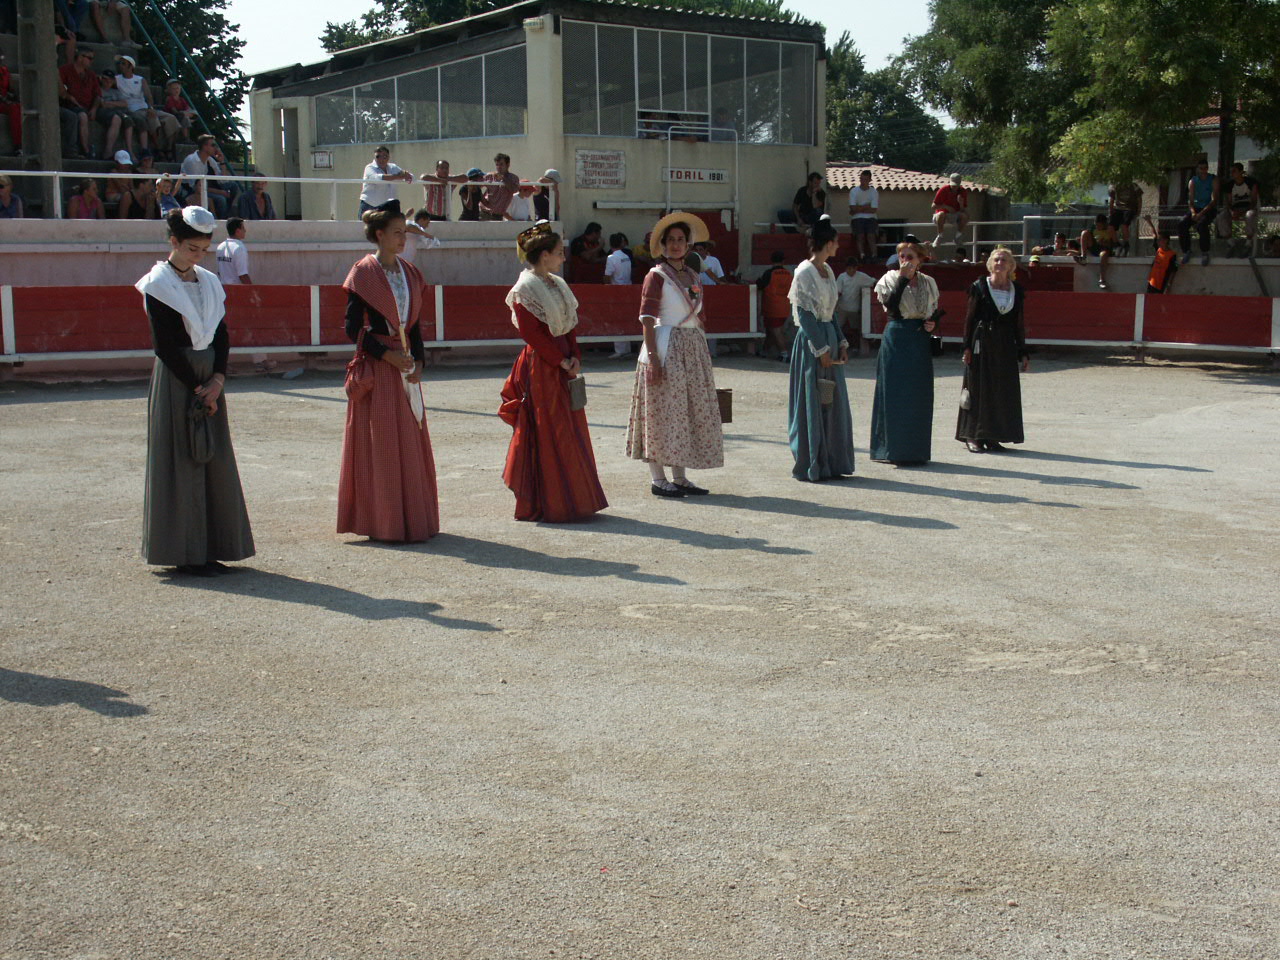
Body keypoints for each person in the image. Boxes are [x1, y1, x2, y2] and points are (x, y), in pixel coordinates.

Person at [134, 206, 254, 574]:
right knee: (182, 459)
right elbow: (165, 347)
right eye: (191, 248)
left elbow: (221, 334)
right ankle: (184, 552)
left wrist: (218, 379)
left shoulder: (209, 281)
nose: (198, 255)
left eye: (203, 249)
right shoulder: (157, 284)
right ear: (174, 242)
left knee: (214, 459)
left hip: (208, 377)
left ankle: (213, 547)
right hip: (179, 377)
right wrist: (200, 386)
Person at [338, 200, 439, 543]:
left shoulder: (410, 273)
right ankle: (383, 521)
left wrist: (420, 361)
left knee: (409, 439)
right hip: (382, 367)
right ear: (379, 234)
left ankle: (411, 518)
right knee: (380, 443)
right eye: (396, 232)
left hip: (405, 364)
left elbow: (415, 325)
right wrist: (386, 356)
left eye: (404, 233)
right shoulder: (363, 273)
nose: (402, 239)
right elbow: (352, 328)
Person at [498, 222, 610, 523]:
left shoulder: (557, 284)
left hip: (562, 361)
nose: (563, 257)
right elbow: (531, 334)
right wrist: (561, 360)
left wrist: (575, 356)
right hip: (542, 366)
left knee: (570, 425)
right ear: (545, 254)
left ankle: (574, 497)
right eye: (559, 252)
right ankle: (553, 501)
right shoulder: (524, 288)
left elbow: (570, 325)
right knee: (550, 427)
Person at [626, 212, 724, 497]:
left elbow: (699, 314)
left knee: (684, 412)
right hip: (665, 346)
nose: (676, 245)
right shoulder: (656, 276)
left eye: (681, 240)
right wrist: (654, 358)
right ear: (662, 244)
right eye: (670, 240)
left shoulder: (693, 275)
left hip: (691, 349)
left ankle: (680, 477)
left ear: (688, 244)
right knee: (660, 411)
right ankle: (658, 479)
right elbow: (647, 319)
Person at [788, 218, 854, 481]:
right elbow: (805, 314)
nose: (838, 246)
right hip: (812, 341)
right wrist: (821, 348)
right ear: (828, 243)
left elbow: (831, 312)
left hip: (828, 337)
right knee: (814, 398)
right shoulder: (804, 272)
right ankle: (813, 461)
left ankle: (833, 461)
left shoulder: (828, 270)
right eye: (836, 242)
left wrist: (841, 342)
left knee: (832, 399)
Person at [870, 241, 940, 465]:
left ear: (920, 259)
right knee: (894, 392)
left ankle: (915, 451)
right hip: (897, 336)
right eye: (902, 256)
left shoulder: (928, 282)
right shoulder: (889, 279)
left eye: (910, 257)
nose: (905, 261)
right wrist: (902, 278)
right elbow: (891, 307)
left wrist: (932, 323)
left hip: (919, 339)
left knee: (918, 394)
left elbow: (933, 311)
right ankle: (890, 450)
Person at [956, 247, 1028, 454]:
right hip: (982, 341)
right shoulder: (980, 286)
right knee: (977, 386)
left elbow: (1019, 323)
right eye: (996, 260)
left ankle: (993, 435)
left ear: (1011, 265)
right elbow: (970, 318)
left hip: (1005, 344)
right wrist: (967, 346)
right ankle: (972, 435)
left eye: (1004, 260)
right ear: (990, 264)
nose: (999, 263)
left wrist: (1022, 351)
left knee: (1000, 388)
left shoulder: (1016, 290)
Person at [114, 55, 178, 158]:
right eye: (120, 63)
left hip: (144, 107)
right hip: (132, 109)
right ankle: (158, 149)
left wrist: (150, 108)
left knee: (171, 118)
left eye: (123, 64)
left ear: (131, 67)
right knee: (153, 119)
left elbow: (148, 96)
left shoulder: (140, 79)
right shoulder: (116, 79)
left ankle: (169, 148)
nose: (120, 66)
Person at [180, 135, 233, 218]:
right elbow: (196, 187)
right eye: (213, 145)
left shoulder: (209, 159)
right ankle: (222, 219)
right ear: (204, 147)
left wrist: (222, 162)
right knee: (221, 199)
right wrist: (220, 192)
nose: (215, 148)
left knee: (233, 186)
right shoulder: (192, 161)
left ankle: (226, 213)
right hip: (191, 190)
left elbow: (223, 180)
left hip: (203, 187)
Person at [58, 47, 98, 158]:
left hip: (88, 106)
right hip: (70, 105)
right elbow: (60, 90)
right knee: (82, 116)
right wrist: (68, 97)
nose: (91, 61)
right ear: (80, 57)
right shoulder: (65, 70)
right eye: (89, 58)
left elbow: (98, 94)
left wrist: (94, 108)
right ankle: (85, 150)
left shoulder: (91, 74)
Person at [1178, 160, 1218, 266]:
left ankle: (1205, 252)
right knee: (1182, 223)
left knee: (1202, 225)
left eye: (1205, 168)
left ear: (1207, 168)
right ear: (1197, 169)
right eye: (1201, 168)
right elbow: (1190, 200)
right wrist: (1193, 212)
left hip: (1209, 209)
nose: (1203, 171)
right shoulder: (1193, 181)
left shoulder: (1213, 179)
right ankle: (1186, 250)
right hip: (1196, 208)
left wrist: (1201, 214)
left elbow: (1214, 200)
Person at [1216, 162, 1260, 258]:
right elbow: (1228, 202)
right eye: (1231, 172)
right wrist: (1232, 212)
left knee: (1249, 216)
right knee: (1221, 217)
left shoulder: (1251, 182)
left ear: (1241, 172)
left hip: (1248, 208)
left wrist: (1242, 212)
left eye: (1234, 171)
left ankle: (1248, 244)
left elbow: (1254, 201)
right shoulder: (1229, 185)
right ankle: (1231, 244)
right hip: (1234, 209)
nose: (1232, 174)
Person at [756, 250, 793, 361]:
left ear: (771, 260)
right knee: (771, 331)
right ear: (783, 261)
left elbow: (760, 286)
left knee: (776, 331)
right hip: (785, 306)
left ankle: (784, 354)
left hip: (771, 307)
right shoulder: (789, 274)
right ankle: (764, 351)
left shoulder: (769, 273)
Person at [358, 145, 413, 218]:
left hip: (386, 206)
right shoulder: (369, 168)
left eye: (384, 156)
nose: (381, 159)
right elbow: (377, 178)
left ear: (388, 157)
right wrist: (398, 176)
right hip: (369, 205)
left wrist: (406, 175)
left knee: (391, 222)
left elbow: (411, 177)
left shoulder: (393, 167)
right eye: (378, 156)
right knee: (364, 225)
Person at [835, 257, 876, 352]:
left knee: (855, 329)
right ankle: (837, 347)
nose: (850, 271)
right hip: (842, 307)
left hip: (854, 308)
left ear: (856, 268)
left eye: (852, 268)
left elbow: (873, 281)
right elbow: (837, 292)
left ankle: (855, 347)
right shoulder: (842, 277)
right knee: (838, 327)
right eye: (848, 269)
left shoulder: (861, 276)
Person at [604, 232, 634, 359]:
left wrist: (606, 288)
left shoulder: (611, 258)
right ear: (621, 243)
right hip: (627, 290)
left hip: (616, 291)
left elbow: (607, 276)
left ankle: (620, 350)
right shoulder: (626, 257)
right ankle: (626, 348)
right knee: (626, 319)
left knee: (617, 320)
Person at [848, 169, 879, 264]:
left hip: (871, 218)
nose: (863, 181)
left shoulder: (874, 192)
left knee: (871, 236)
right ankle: (862, 255)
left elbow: (874, 209)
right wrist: (867, 206)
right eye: (861, 179)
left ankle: (874, 256)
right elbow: (852, 207)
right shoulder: (854, 191)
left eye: (865, 179)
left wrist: (858, 208)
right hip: (857, 219)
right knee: (860, 236)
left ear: (869, 180)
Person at [1080, 214, 1118, 289]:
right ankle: (1083, 257)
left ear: (1104, 224)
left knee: (1104, 255)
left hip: (1105, 248)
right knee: (1084, 233)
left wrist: (1106, 243)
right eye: (1096, 225)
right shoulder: (1093, 229)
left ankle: (1102, 279)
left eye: (1100, 226)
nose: (1098, 227)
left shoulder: (1110, 229)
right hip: (1095, 246)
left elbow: (1115, 244)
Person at [1142, 216, 1178, 293]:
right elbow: (1154, 235)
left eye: (1161, 239)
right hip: (1152, 282)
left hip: (1161, 283)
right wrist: (1149, 222)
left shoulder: (1172, 255)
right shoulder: (1159, 249)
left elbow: (1174, 270)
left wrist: (1169, 285)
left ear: (1166, 240)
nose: (1159, 241)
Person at [931, 172, 969, 245]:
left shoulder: (963, 191)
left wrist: (961, 203)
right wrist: (946, 207)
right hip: (942, 215)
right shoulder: (943, 190)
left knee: (965, 216)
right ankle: (940, 236)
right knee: (941, 214)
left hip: (955, 215)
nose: (954, 188)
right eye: (953, 186)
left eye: (956, 186)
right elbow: (933, 206)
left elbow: (963, 210)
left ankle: (958, 236)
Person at [481, 152, 520, 220]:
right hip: (484, 213)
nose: (499, 167)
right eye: (497, 164)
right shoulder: (490, 176)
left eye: (501, 164)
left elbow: (514, 190)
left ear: (508, 165)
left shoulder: (513, 178)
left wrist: (503, 179)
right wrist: (482, 199)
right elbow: (477, 187)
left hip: (498, 215)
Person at [1108, 182, 1142, 256]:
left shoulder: (1133, 186)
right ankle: (1116, 244)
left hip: (1129, 208)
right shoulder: (1114, 185)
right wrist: (1111, 210)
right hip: (1118, 209)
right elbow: (1112, 199)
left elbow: (1139, 198)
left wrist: (1138, 211)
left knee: (1124, 225)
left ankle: (1126, 244)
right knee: (1110, 226)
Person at [216, 217, 252, 285]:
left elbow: (219, 272)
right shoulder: (239, 248)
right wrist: (253, 290)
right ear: (237, 231)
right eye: (243, 228)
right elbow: (243, 275)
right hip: (236, 289)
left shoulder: (220, 247)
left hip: (222, 288)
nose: (245, 230)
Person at [0, 51, 20, 154]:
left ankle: (20, 145)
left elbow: (10, 89)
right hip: (2, 101)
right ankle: (18, 146)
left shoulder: (4, 70)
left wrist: (12, 96)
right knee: (13, 108)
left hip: (4, 102)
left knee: (18, 107)